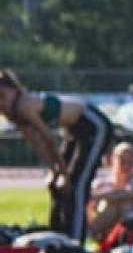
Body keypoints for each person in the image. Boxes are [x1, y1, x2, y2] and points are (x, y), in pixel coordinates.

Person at [0, 70, 115, 241]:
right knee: (57, 187)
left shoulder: (24, 104)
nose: (1, 103)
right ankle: (58, 237)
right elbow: (38, 145)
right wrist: (55, 172)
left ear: (14, 90)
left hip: (93, 124)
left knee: (76, 187)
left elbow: (48, 140)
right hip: (75, 131)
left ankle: (75, 243)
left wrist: (63, 173)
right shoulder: (15, 116)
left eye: (2, 96)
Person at [87, 141, 133, 243]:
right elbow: (89, 204)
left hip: (129, 226)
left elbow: (128, 193)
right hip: (104, 224)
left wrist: (99, 196)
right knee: (110, 206)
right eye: (122, 160)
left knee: (122, 203)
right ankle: (94, 234)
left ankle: (119, 237)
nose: (125, 164)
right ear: (113, 160)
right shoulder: (102, 182)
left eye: (129, 161)